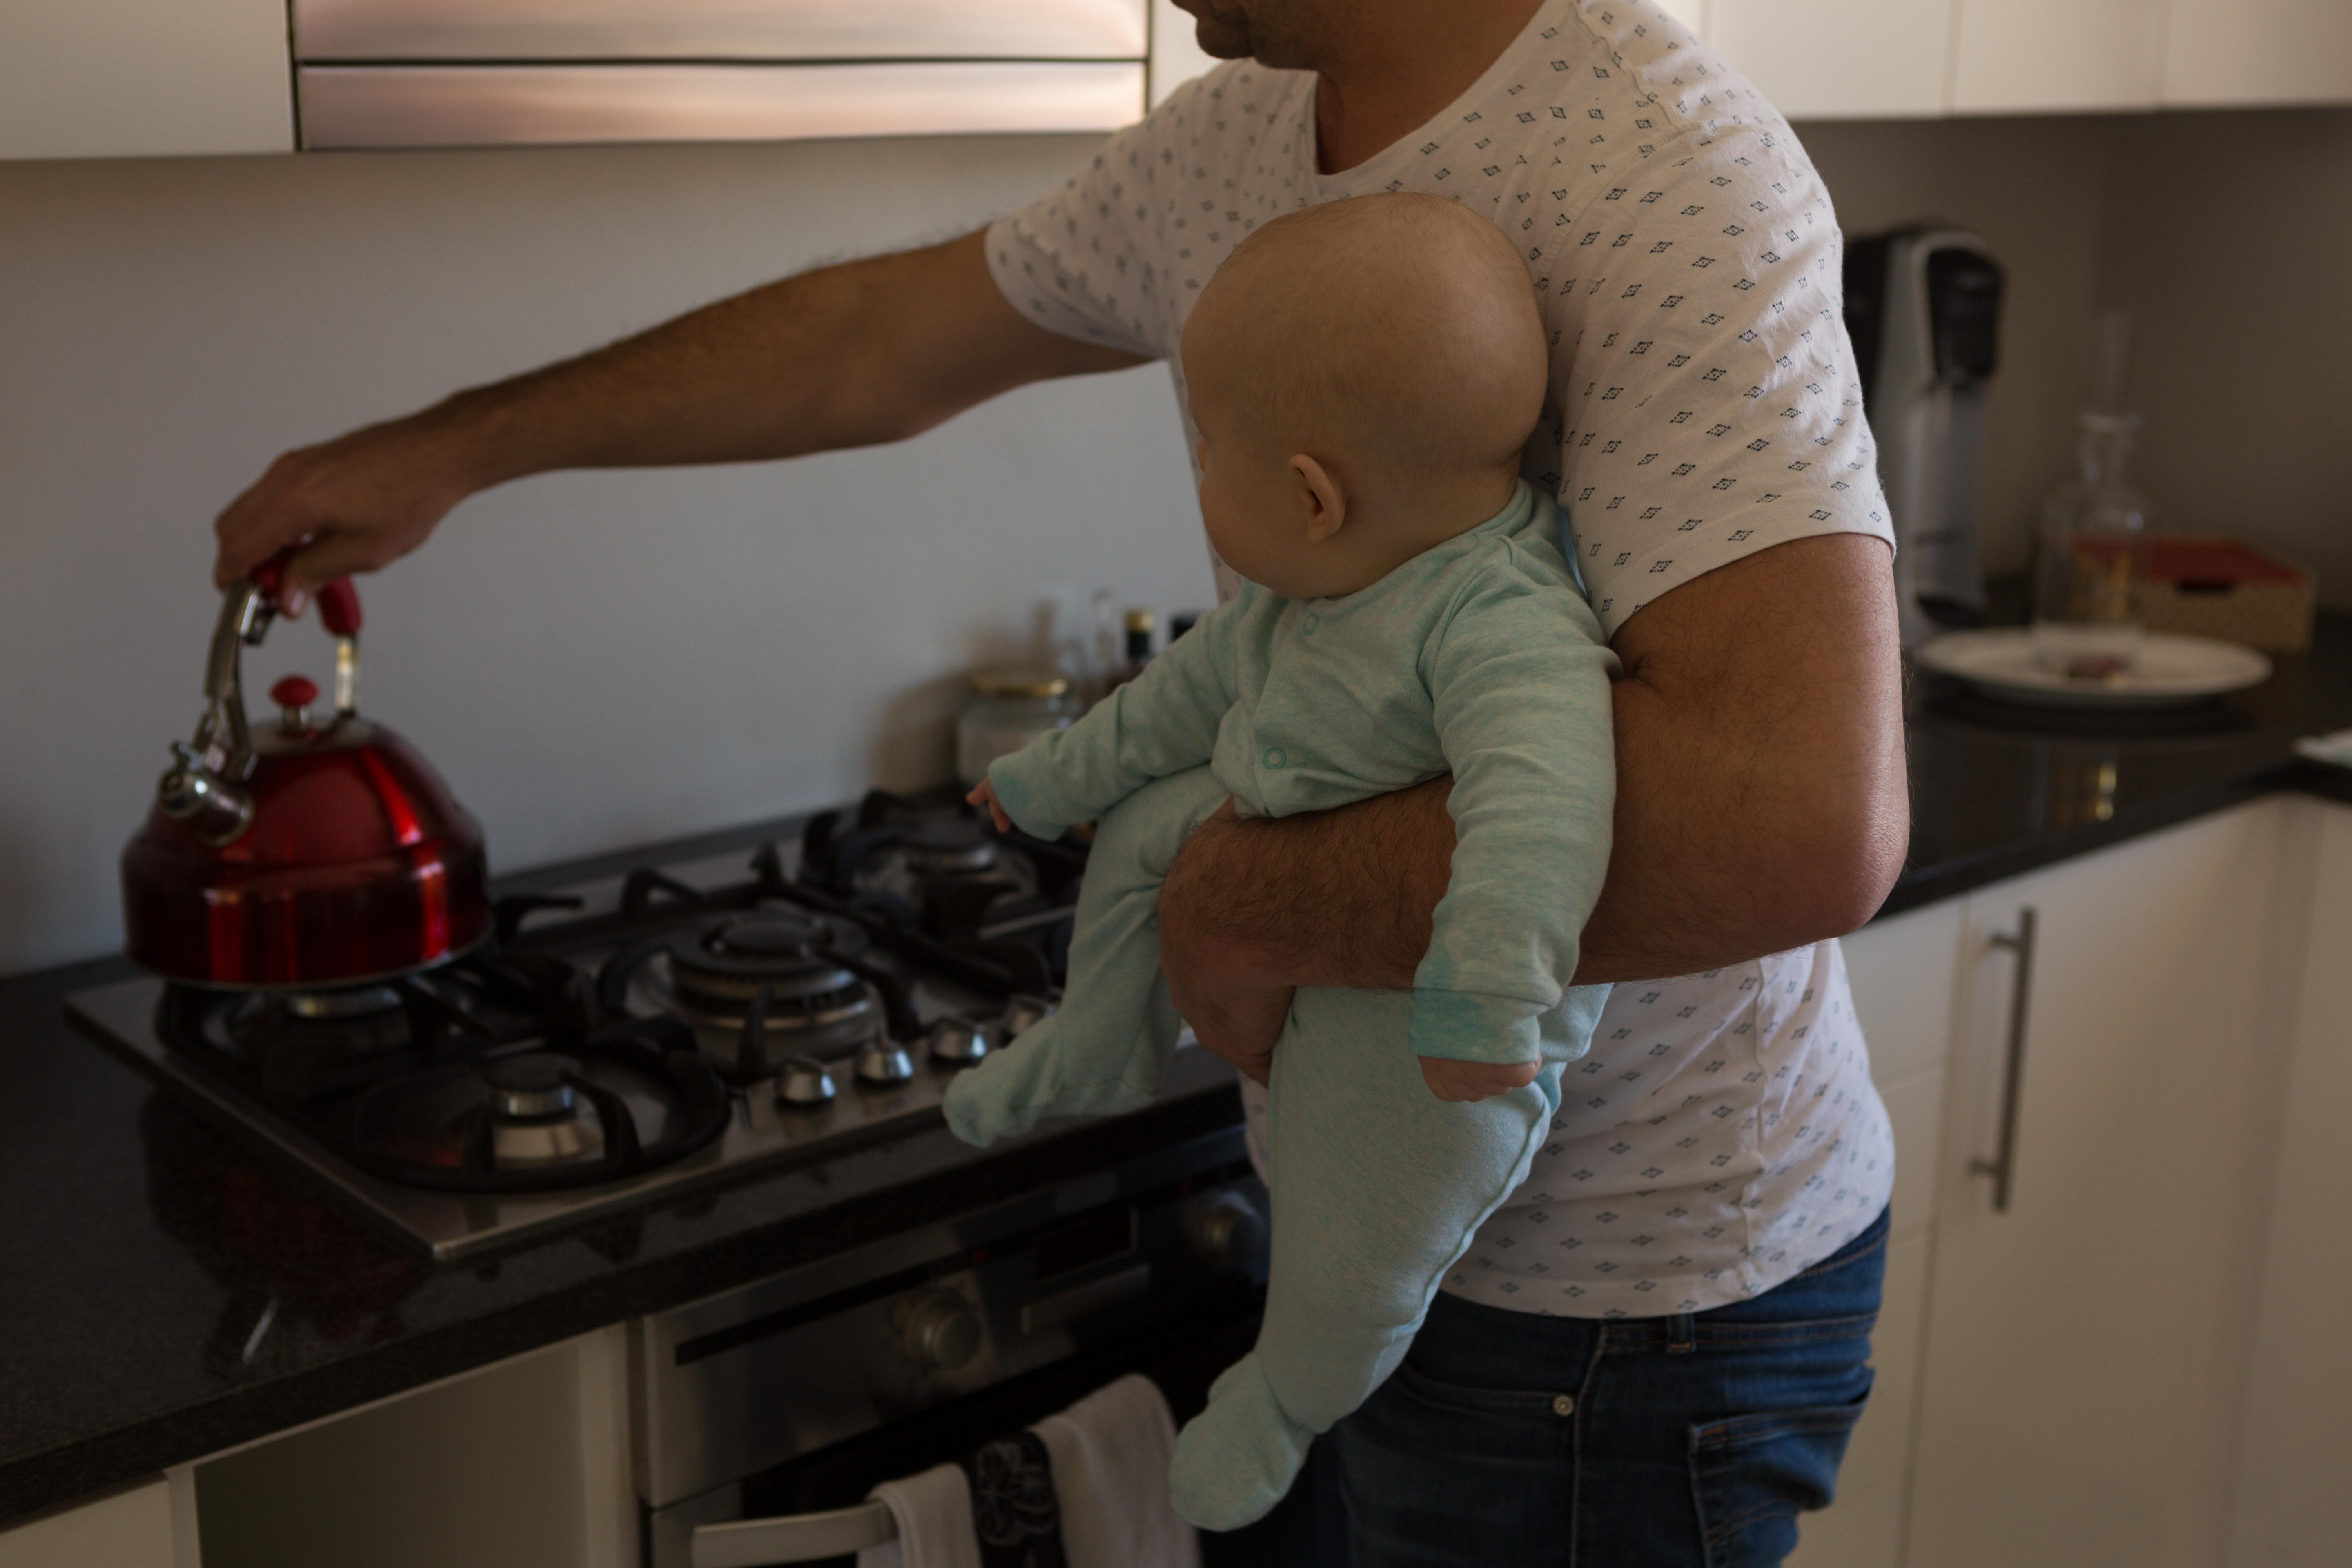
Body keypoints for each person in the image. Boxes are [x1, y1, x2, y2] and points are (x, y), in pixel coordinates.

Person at [211, 2, 1909, 1560]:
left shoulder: (1667, 168)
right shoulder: (1242, 133)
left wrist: (1240, 898)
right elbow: (876, 340)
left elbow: (1805, 824)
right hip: (1353, 1200)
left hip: (1614, 1314)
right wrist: (449, 449)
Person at [952, 193, 1619, 1530]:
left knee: (1367, 1236)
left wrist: (1486, 996)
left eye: (1205, 451)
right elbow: (1167, 706)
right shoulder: (1302, 598)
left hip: (1422, 1020)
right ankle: (1096, 1044)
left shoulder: (1504, 621)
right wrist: (1043, 781)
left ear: (1310, 494)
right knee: (1145, 833)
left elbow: (1545, 809)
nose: (1196, 474)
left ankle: (1288, 1395)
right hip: (1283, 855)